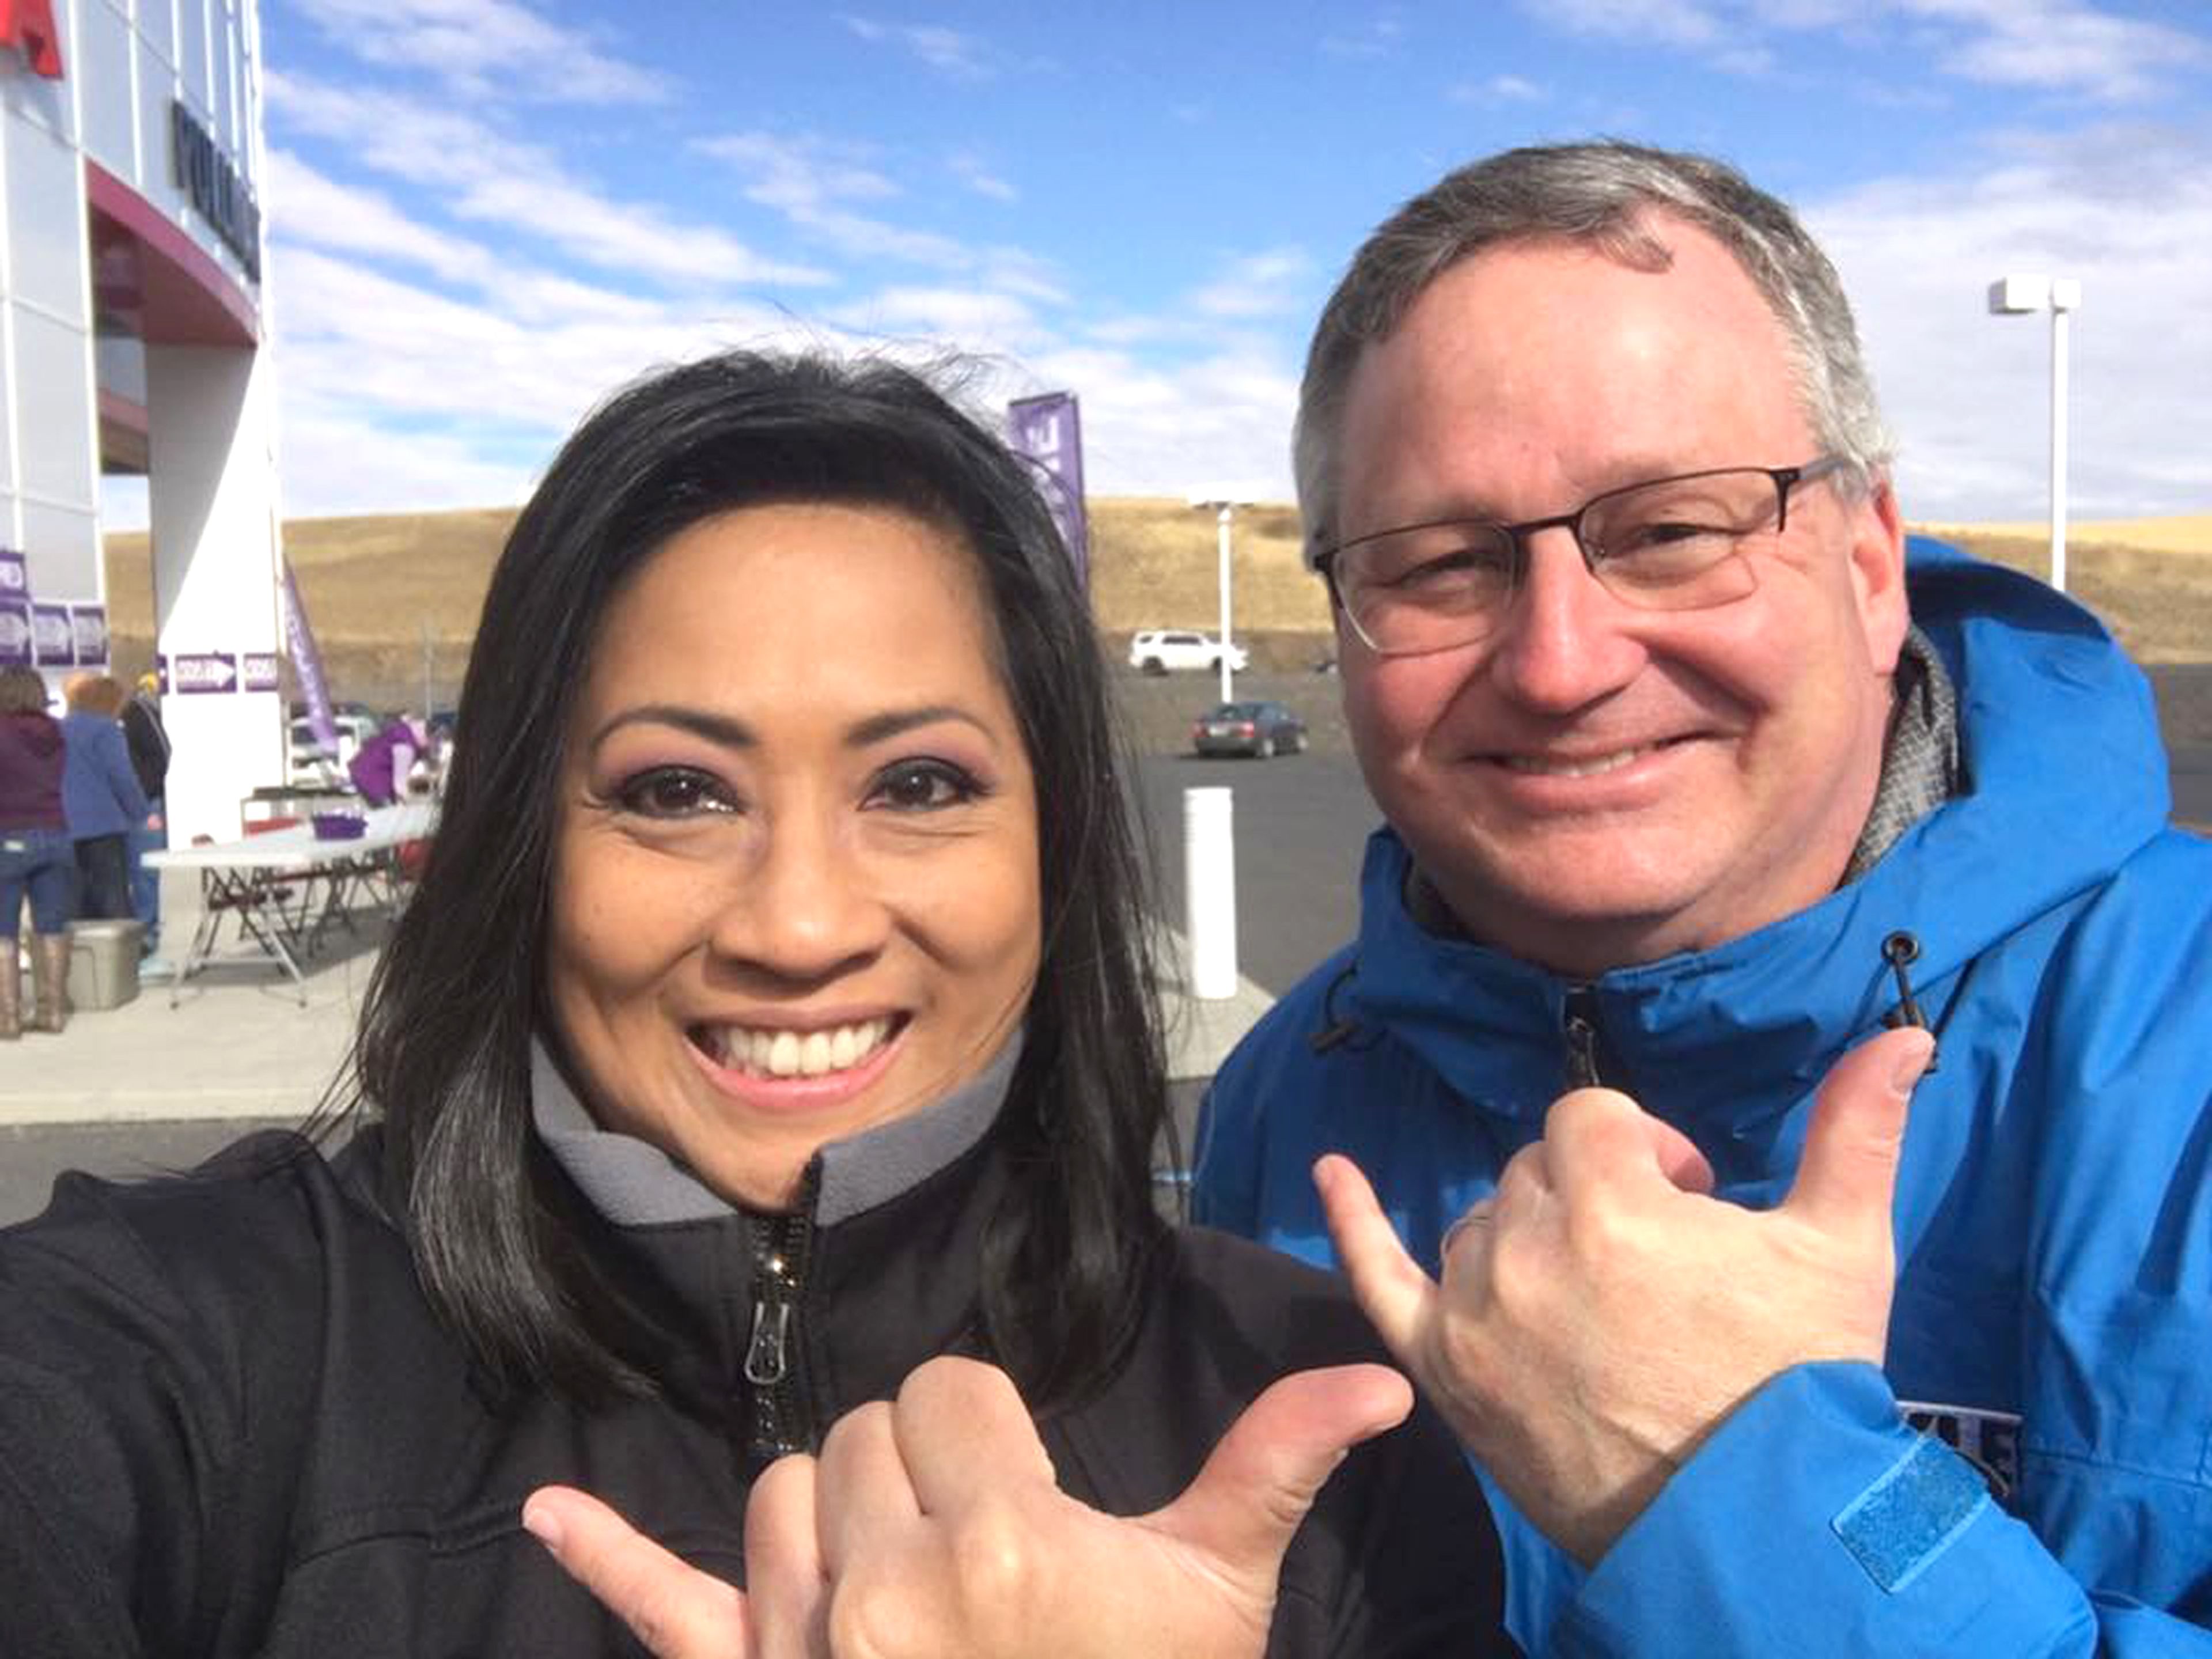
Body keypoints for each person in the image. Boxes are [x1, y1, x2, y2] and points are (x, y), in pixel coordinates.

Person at [0, 350, 1508, 1657]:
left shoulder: (1306, 1417)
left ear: (1056, 850)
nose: (799, 927)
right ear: (528, 845)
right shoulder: (191, 1352)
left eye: (918, 784)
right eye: (674, 790)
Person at [1193, 139, 2212, 1655]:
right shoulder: (1288, 1102)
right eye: (1444, 564)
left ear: (1870, 561)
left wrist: (1748, 1499)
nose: (1559, 662)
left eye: (1672, 529)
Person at [0, 664, 74, 1036]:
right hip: (55, 832)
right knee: (51, 925)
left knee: (4, 930)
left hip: (8, 836)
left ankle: (8, 1017)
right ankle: (52, 1011)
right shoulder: (55, 733)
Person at [60, 671, 150, 923]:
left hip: (64, 827)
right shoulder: (106, 730)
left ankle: (76, 960)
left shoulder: (57, 729)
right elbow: (122, 777)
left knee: (73, 906)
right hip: (103, 827)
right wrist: (141, 813)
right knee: (113, 905)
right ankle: (117, 959)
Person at [121, 671, 170, 957]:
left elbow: (164, 752)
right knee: (116, 878)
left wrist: (145, 791)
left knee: (144, 874)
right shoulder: (100, 720)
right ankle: (125, 941)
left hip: (145, 805)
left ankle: (148, 940)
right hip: (112, 809)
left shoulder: (138, 712)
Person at [347, 710, 424, 805]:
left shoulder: (399, 733)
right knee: (387, 811)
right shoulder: (405, 745)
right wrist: (408, 803)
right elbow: (400, 785)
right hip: (373, 778)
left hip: (361, 770)